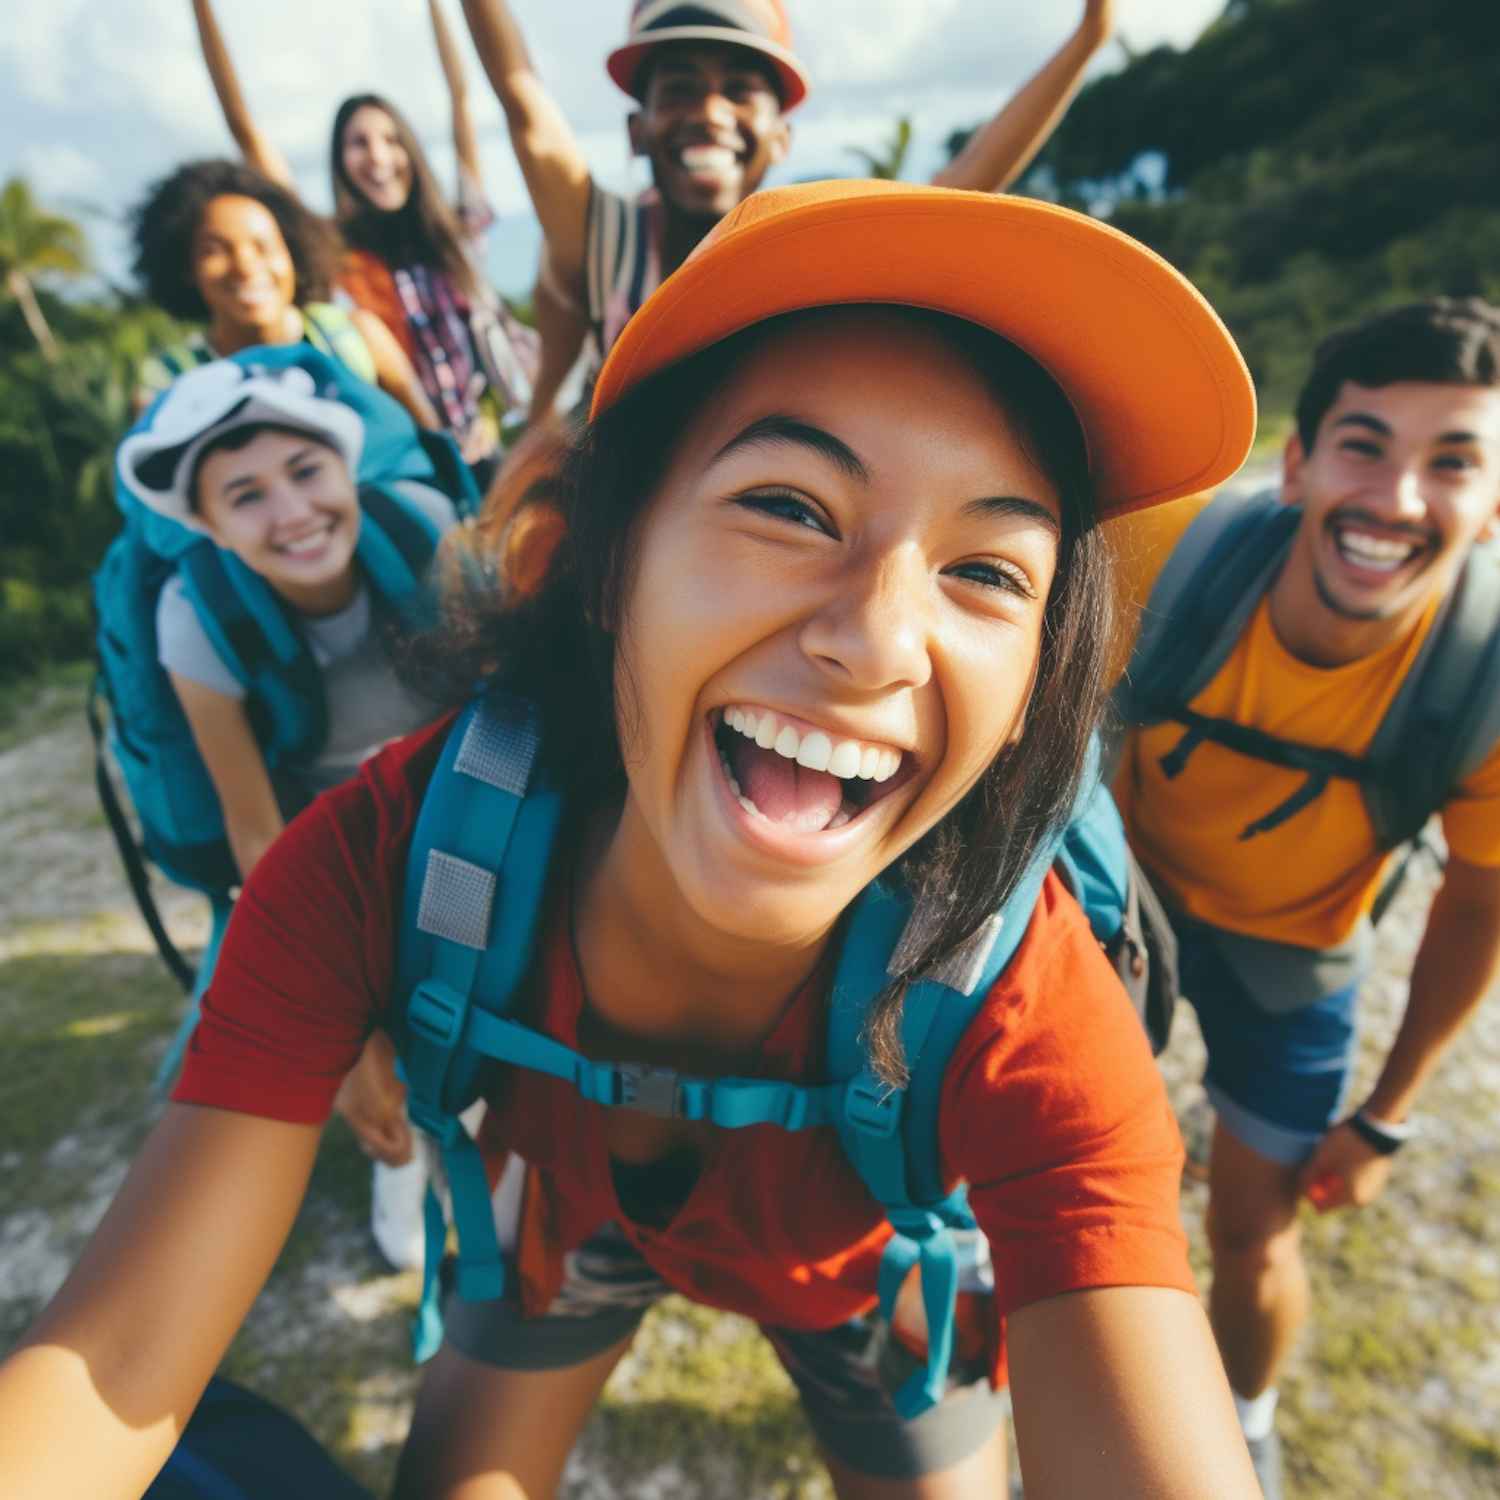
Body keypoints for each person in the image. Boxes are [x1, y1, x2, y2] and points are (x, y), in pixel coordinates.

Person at [0, 180, 1261, 1500]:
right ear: (598, 564)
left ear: (1031, 699)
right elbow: (118, 1354)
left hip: (860, 1273)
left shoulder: (1019, 994)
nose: (878, 639)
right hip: (573, 1215)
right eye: (789, 505)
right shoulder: (386, 867)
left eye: (989, 571)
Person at [1113, 298, 1500, 1498]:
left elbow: (1478, 904)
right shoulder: (1165, 553)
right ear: (1297, 463)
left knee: (1249, 1232)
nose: (1392, 499)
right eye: (1363, 445)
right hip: (1124, 911)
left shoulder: (1484, 675)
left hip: (1297, 955)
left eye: (1453, 463)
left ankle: (1247, 1419)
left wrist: (1383, 1117)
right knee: (1054, 1197)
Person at [118, 354, 462, 1263]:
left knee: (480, 970)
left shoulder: (427, 529)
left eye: (306, 472)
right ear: (212, 530)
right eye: (247, 495)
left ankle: (498, 1121)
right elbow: (255, 823)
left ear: (346, 469)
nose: (294, 511)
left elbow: (522, 701)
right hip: (335, 836)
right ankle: (400, 1142)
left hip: (466, 802)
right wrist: (349, 1048)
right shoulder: (196, 620)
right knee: (379, 991)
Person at [458, 0, 1119, 424]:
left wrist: (1090, 37)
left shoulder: (803, 253)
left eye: (740, 90)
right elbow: (523, 104)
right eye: (680, 86)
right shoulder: (607, 237)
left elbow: (967, 183)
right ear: (637, 131)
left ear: (781, 139)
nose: (710, 112)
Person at [191, 0, 537, 486]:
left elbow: (461, 96)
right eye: (359, 142)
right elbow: (242, 123)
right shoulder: (331, 252)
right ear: (339, 161)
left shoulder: (455, 235)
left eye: (391, 139)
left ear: (410, 151)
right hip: (401, 467)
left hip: (482, 453)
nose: (379, 156)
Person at [131, 157, 438, 428]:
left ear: (293, 253)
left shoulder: (356, 336)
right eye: (214, 250)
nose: (246, 267)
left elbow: (438, 449)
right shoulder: (169, 383)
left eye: (264, 247)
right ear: (185, 269)